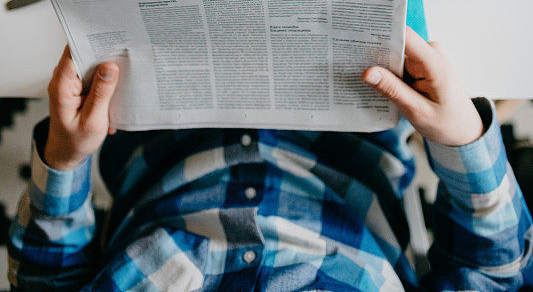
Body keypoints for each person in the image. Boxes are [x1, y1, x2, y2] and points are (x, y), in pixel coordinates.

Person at [7, 27, 532, 291]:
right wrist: (461, 137)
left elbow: (47, 281)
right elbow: (492, 275)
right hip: (349, 109)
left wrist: (64, 158)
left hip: (152, 115)